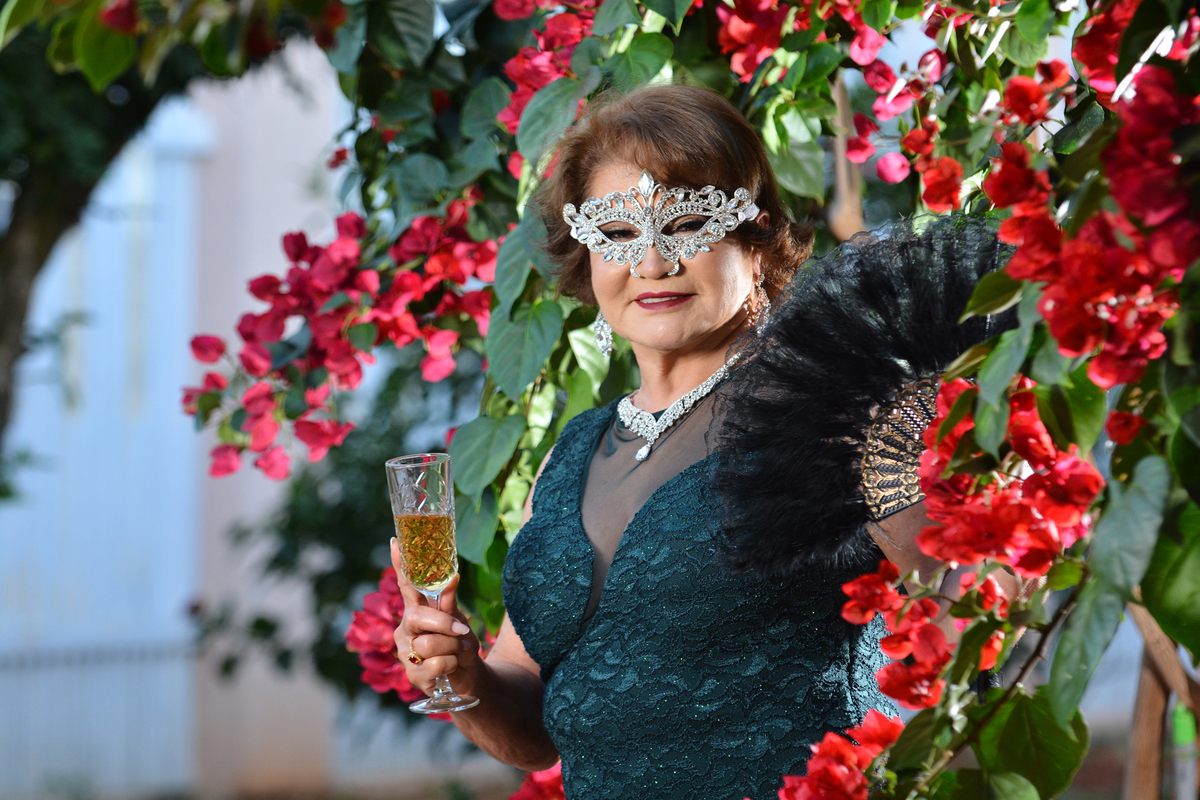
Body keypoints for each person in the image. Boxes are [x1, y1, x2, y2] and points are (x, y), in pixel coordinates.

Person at [389, 84, 1015, 799]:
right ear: (586, 254)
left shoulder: (837, 409)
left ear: (757, 238)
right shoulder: (572, 455)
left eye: (686, 223)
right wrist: (462, 675)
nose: (652, 263)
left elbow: (972, 620)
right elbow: (533, 728)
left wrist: (952, 491)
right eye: (617, 233)